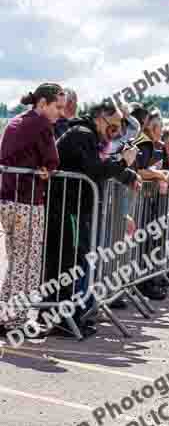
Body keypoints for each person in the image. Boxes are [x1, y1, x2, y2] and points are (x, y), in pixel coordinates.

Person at [44, 100, 140, 336]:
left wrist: (126, 173)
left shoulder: (88, 135)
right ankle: (61, 319)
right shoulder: (82, 134)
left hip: (76, 207)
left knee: (75, 261)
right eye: (114, 125)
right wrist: (123, 161)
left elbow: (97, 167)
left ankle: (70, 316)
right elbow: (93, 170)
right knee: (68, 263)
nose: (116, 131)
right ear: (100, 118)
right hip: (67, 207)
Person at [0, 83, 64, 334]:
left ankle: (6, 315)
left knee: (17, 261)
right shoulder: (40, 125)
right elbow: (53, 160)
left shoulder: (16, 120)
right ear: (42, 103)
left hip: (7, 198)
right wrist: (47, 170)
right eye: (57, 107)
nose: (60, 112)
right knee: (27, 263)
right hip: (27, 200)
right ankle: (14, 319)